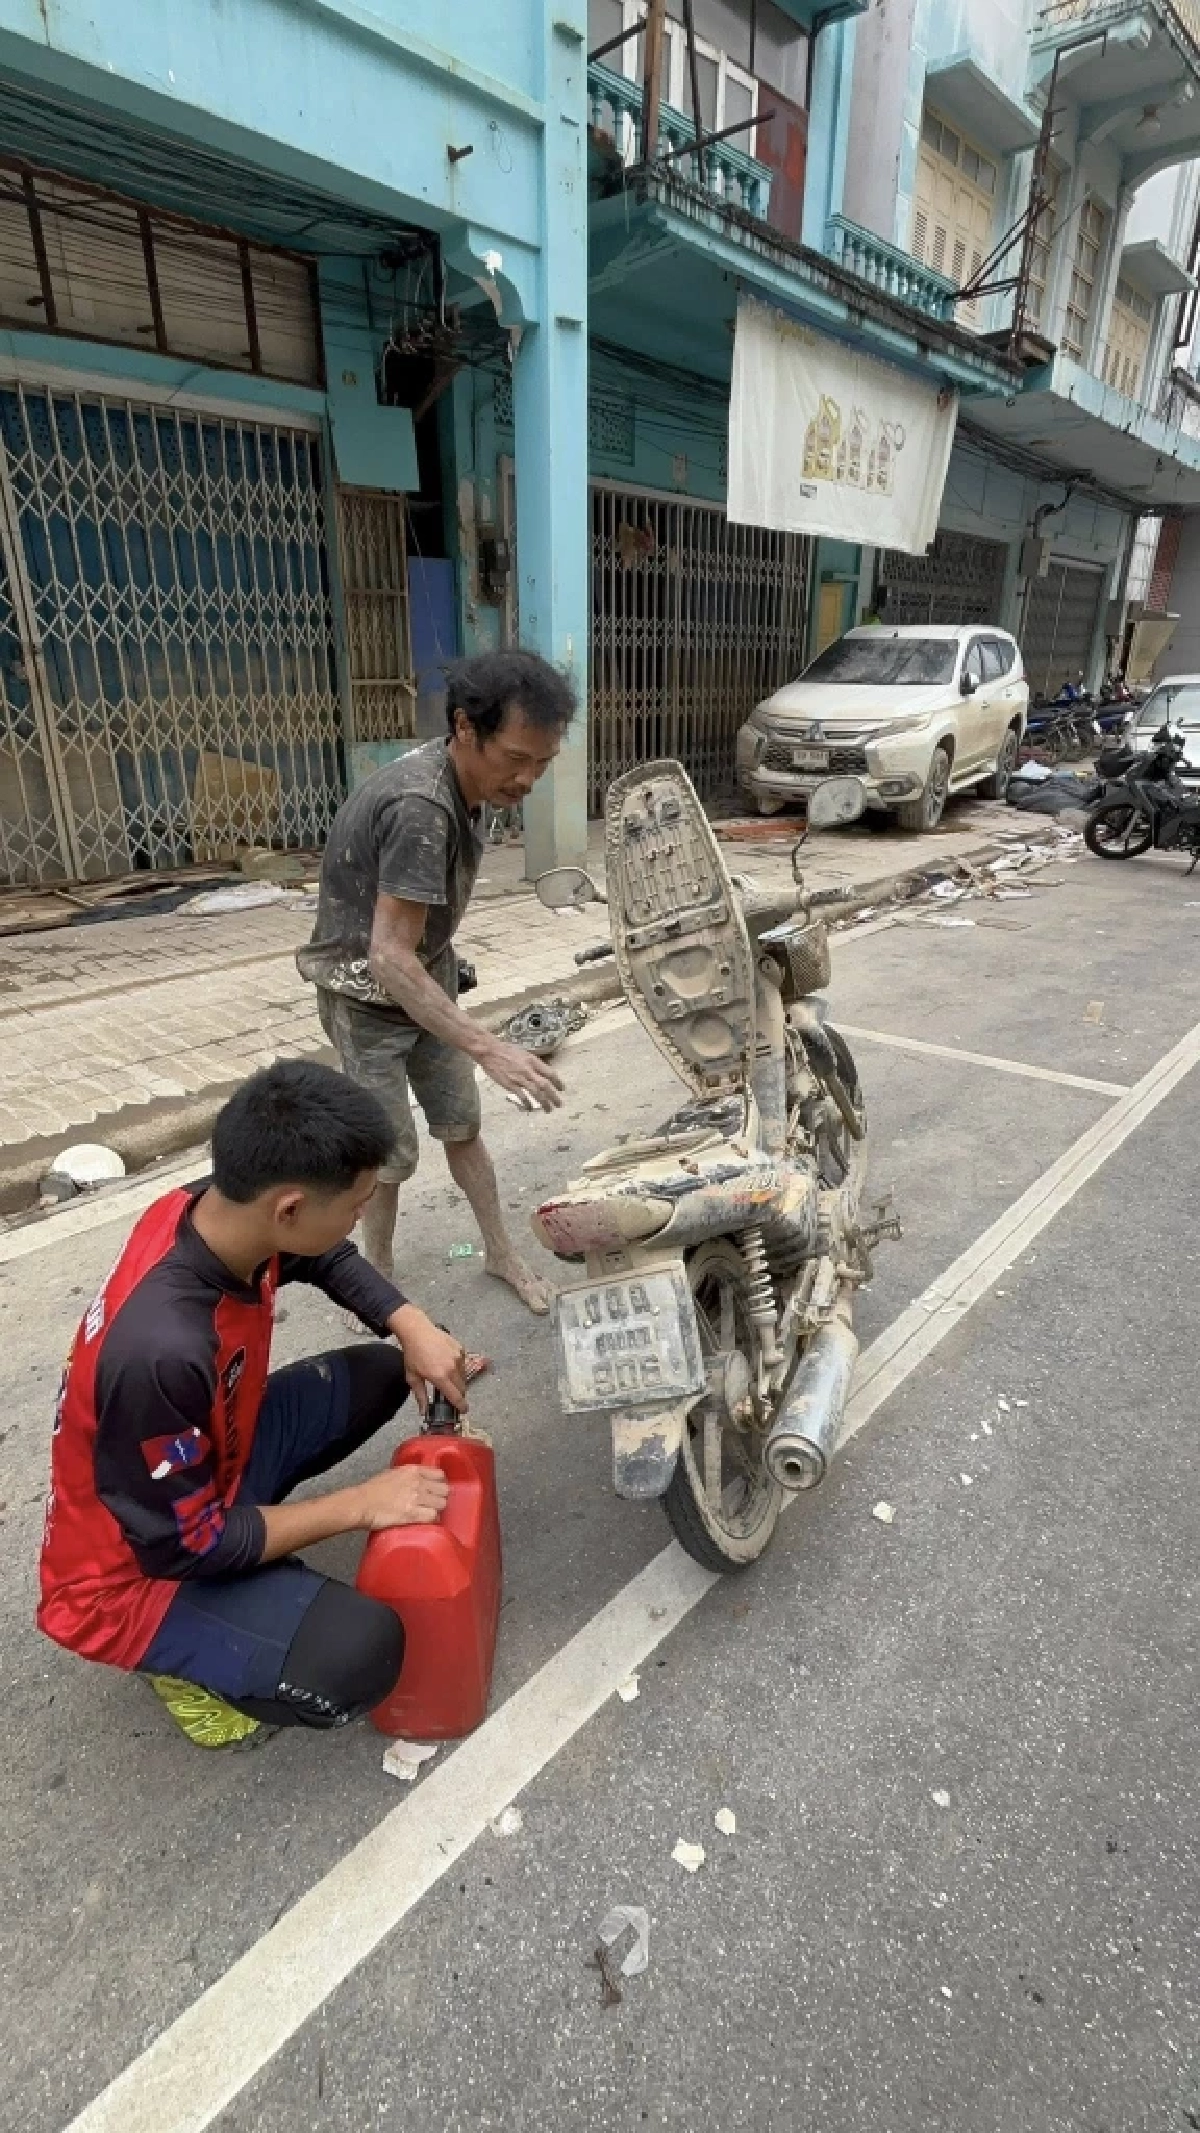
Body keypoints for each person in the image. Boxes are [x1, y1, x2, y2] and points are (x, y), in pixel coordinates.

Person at [37, 1060, 468, 1750]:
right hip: (130, 1575)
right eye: (356, 1203)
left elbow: (323, 1257)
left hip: (206, 1464)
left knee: (385, 1371)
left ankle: (258, 1581)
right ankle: (176, 1662)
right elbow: (188, 1544)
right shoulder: (163, 1349)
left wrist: (410, 1321)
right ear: (290, 1208)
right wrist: (363, 1502)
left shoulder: (214, 1208)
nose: (362, 1214)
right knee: (363, 1652)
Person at [297, 648, 577, 1316]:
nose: (529, 778)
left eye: (543, 762)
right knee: (387, 1156)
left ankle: (500, 1252)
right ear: (463, 729)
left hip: (427, 979)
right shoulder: (422, 804)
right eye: (516, 758)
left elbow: (414, 941)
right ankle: (379, 1278)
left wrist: (460, 1019)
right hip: (365, 996)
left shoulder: (470, 785)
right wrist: (490, 1046)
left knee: (462, 1124)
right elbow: (390, 957)